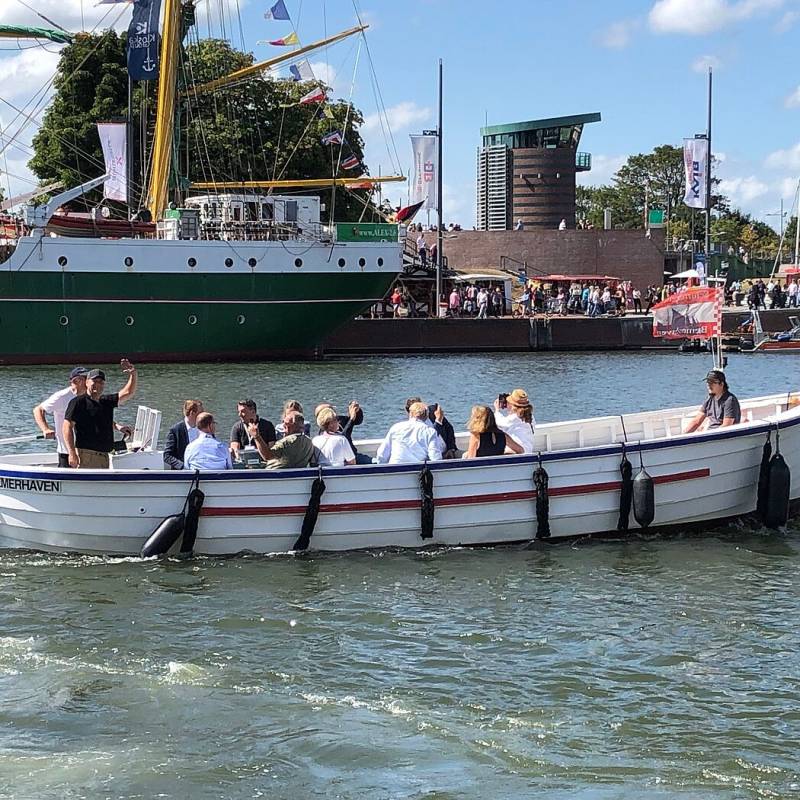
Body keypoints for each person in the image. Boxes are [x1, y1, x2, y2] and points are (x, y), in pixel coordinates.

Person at [63, 360, 138, 469]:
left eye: (101, 382)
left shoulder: (106, 401)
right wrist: (72, 453)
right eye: (95, 381)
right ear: (87, 382)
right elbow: (66, 428)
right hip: (87, 456)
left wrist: (133, 374)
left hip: (104, 456)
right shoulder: (78, 402)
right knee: (89, 486)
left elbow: (128, 393)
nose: (97, 384)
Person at [33, 367, 88, 468]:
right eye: (86, 378)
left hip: (87, 451)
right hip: (67, 452)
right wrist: (45, 429)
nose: (90, 381)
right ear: (76, 381)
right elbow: (38, 410)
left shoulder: (90, 396)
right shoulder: (62, 396)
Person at [375, 401, 442, 464]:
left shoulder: (396, 427)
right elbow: (435, 458)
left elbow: (382, 455)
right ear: (427, 416)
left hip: (394, 470)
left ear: (410, 414)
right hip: (418, 471)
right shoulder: (430, 432)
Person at [250, 411, 315, 469]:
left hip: (276, 475)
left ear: (293, 426)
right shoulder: (309, 442)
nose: (283, 426)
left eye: (286, 425)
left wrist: (257, 436)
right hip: (297, 474)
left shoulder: (287, 442)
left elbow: (268, 456)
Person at [164, 399, 204, 470]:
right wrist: (183, 466)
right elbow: (167, 456)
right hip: (182, 474)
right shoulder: (175, 430)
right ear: (192, 413)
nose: (203, 415)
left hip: (202, 469)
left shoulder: (204, 428)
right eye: (200, 413)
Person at [494, 388, 536, 453]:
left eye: (508, 402)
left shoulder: (514, 418)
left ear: (512, 404)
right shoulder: (530, 416)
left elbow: (498, 422)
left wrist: (497, 410)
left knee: (499, 434)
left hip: (521, 450)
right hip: (528, 449)